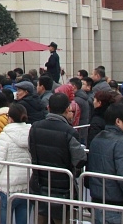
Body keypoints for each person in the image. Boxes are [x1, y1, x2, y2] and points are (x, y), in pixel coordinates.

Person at [28, 93, 86, 224]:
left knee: (41, 219)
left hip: (39, 184)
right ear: (67, 109)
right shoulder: (69, 132)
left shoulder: (35, 127)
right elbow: (80, 159)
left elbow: (31, 150)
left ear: (48, 107)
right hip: (62, 189)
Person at [87, 103, 123, 224]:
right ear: (118, 121)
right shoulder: (122, 143)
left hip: (98, 200)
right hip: (116, 205)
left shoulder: (97, 138)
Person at [0, 103, 32, 224]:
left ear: (10, 118)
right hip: (27, 182)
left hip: (7, 184)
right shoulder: (31, 132)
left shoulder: (5, 134)